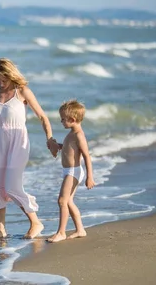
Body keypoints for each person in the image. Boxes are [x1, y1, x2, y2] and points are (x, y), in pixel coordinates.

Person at [0, 58, 59, 240]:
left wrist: (50, 139)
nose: (0, 84)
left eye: (3, 80)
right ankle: (1, 229)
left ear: (11, 75)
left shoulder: (22, 91)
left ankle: (35, 222)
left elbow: (42, 116)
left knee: (12, 187)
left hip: (18, 141)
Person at [47, 99, 95, 243]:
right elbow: (70, 149)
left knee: (62, 200)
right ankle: (80, 229)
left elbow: (86, 156)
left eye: (63, 120)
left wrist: (90, 177)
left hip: (74, 172)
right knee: (68, 201)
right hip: (69, 171)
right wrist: (58, 146)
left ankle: (61, 232)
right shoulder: (72, 133)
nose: (61, 122)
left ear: (72, 119)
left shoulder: (79, 135)